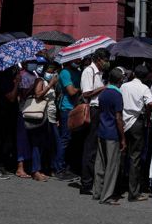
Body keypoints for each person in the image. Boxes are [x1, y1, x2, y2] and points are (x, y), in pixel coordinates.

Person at [121, 64, 152, 201]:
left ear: (134, 74)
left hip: (123, 122)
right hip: (136, 122)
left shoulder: (124, 86)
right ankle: (133, 192)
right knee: (135, 157)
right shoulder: (144, 88)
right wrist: (146, 111)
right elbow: (151, 103)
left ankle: (120, 185)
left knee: (123, 154)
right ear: (145, 77)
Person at [93, 66, 126, 205]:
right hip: (112, 133)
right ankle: (106, 196)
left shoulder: (104, 93)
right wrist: (123, 138)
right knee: (112, 166)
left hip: (102, 130)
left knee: (100, 163)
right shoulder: (117, 95)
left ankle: (97, 192)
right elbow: (118, 118)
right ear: (120, 80)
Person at [78, 50, 108, 194]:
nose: (106, 62)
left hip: (99, 111)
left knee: (95, 147)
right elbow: (86, 93)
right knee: (90, 147)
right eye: (105, 59)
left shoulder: (99, 74)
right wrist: (103, 88)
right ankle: (86, 183)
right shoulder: (88, 71)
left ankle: (92, 180)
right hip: (92, 111)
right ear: (98, 59)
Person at [54, 58, 79, 179]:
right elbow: (71, 91)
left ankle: (67, 167)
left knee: (72, 140)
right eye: (76, 59)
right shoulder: (65, 72)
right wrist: (80, 89)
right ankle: (59, 169)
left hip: (76, 108)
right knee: (65, 139)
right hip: (66, 108)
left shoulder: (78, 72)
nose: (79, 61)